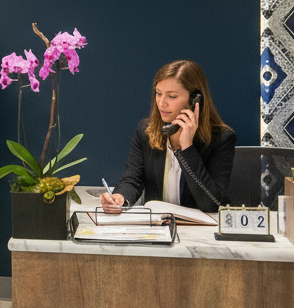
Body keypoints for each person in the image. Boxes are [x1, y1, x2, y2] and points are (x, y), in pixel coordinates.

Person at [99, 60, 236, 214]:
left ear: (194, 100)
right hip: (157, 227)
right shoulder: (145, 131)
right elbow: (133, 178)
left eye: (171, 96)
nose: (162, 103)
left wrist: (187, 148)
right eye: (158, 93)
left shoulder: (222, 139)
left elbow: (212, 204)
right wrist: (120, 198)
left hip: (199, 231)